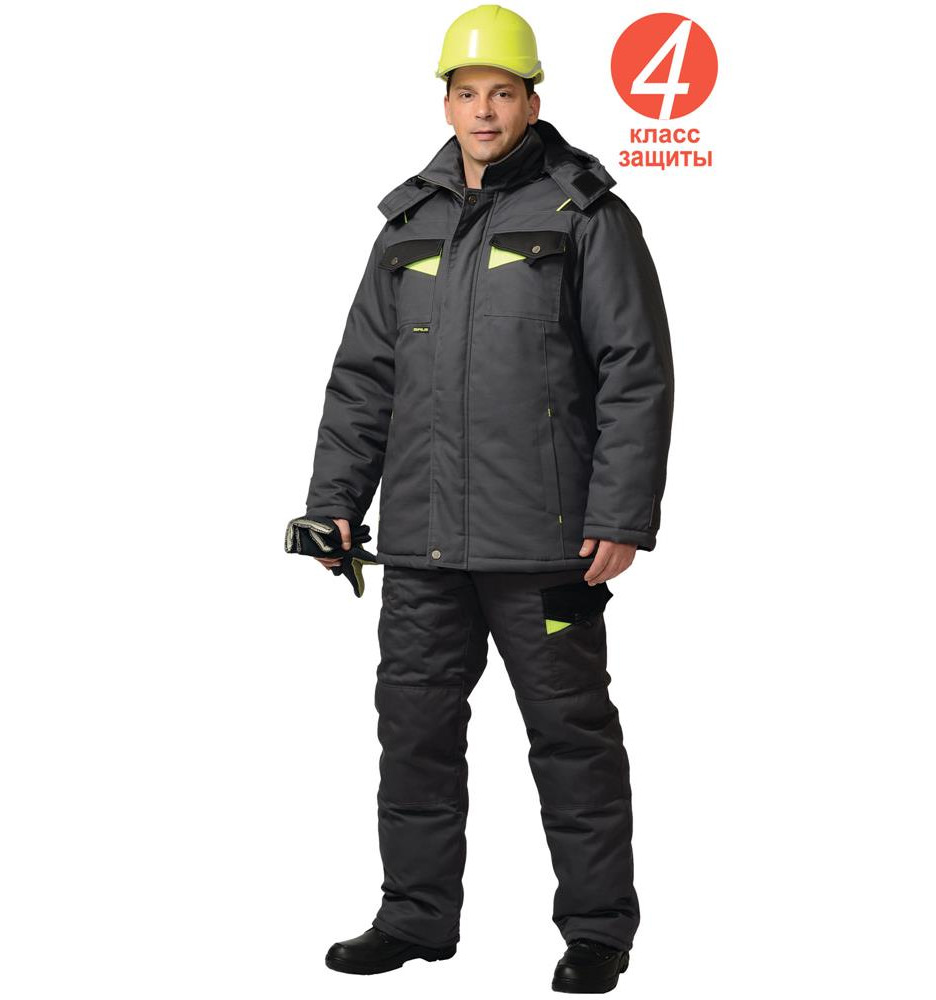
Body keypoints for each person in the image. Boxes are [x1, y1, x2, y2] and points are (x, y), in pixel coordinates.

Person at [285, 4, 674, 992]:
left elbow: (634, 370)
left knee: (571, 737)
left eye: (503, 92)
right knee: (413, 734)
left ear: (532, 101)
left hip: (548, 547)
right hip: (421, 546)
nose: (485, 110)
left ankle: (597, 929)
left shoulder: (585, 215)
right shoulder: (407, 225)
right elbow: (364, 378)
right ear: (447, 103)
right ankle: (415, 916)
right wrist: (335, 502)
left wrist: (619, 516)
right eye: (468, 93)